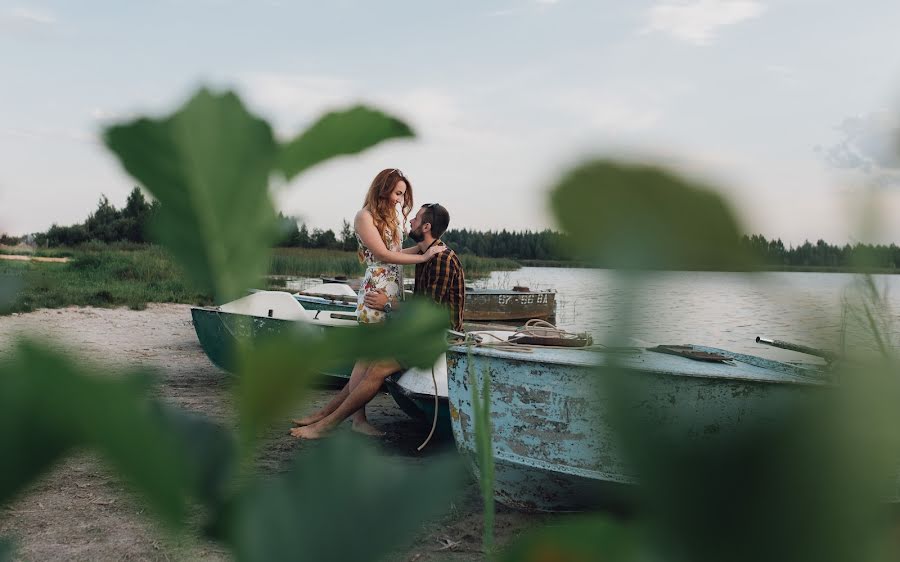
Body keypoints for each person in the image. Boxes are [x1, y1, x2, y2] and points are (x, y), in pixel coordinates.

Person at [290, 201, 465, 440]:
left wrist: (388, 304)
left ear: (426, 226)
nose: (410, 221)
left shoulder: (441, 259)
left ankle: (326, 425)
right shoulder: (428, 254)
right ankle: (323, 414)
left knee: (377, 368)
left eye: (415, 218)